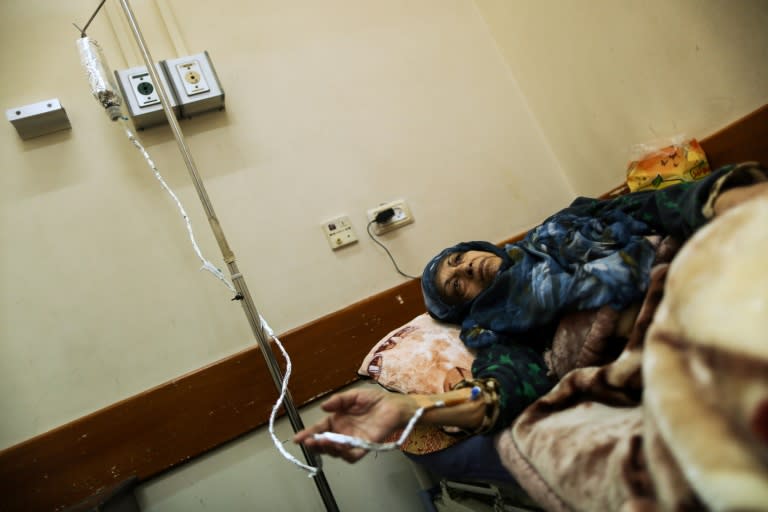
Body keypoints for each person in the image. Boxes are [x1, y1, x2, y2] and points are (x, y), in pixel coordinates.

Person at [295, 162, 768, 463]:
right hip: (673, 333)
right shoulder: (496, 329)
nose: (467, 270)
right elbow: (500, 390)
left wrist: (735, 202)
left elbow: (657, 205)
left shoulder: (561, 225)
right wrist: (409, 408)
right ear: (467, 307)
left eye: (459, 258)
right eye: (456, 285)